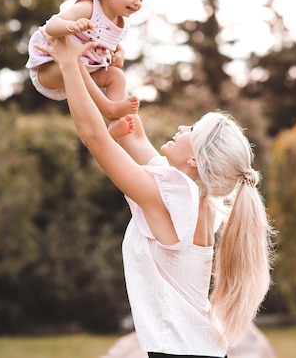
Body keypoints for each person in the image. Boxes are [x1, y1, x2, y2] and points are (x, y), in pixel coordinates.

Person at [34, 29, 275, 358]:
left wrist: (68, 63)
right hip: (194, 352)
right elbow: (132, 133)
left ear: (197, 160)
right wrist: (111, 72)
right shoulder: (195, 196)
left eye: (191, 129)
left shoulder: (176, 198)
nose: (181, 128)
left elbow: (95, 137)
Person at [26, 0, 152, 122]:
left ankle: (117, 122)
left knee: (116, 76)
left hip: (83, 72)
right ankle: (108, 108)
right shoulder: (88, 8)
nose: (138, 3)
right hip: (49, 69)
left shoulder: (121, 23)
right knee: (75, 61)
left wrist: (119, 54)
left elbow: (113, 44)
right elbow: (51, 25)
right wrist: (71, 26)